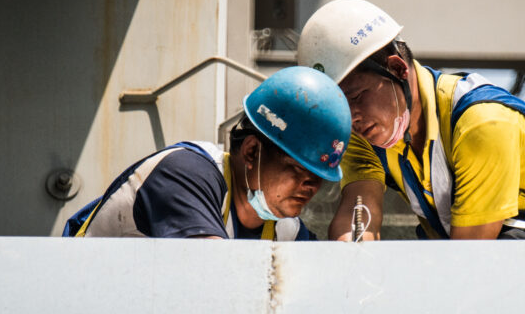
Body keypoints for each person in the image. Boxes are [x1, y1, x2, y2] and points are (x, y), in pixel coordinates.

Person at [296, 0, 525, 241]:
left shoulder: (481, 124)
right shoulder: (365, 132)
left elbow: (468, 261)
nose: (351, 118)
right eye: (340, 107)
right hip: (489, 254)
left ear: (397, 69)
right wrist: (350, 261)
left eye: (356, 98)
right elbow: (359, 212)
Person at [63, 66, 351, 240]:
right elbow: (212, 279)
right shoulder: (184, 174)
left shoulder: (285, 229)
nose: (311, 186)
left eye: (318, 176)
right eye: (299, 169)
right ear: (252, 152)